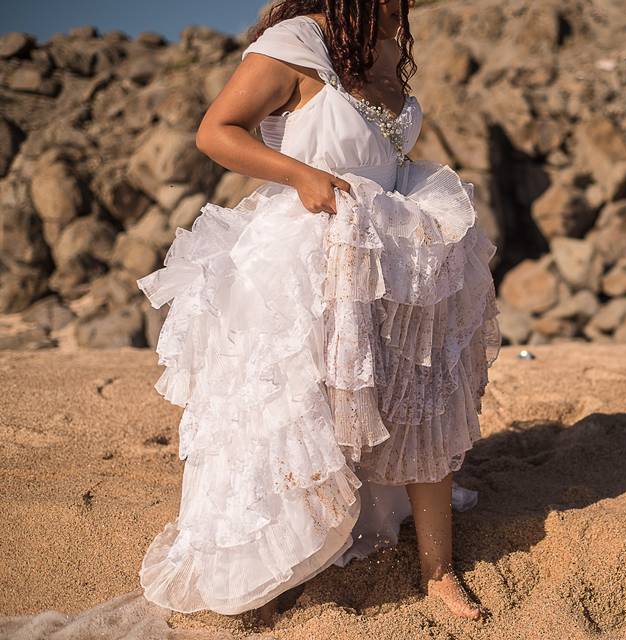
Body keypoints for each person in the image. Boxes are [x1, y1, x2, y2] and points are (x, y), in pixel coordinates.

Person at [136, 0, 500, 623]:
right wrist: (301, 174)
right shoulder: (300, 39)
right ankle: (282, 563)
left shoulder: (385, 39)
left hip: (389, 244)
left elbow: (377, 154)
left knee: (420, 393)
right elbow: (217, 130)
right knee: (306, 408)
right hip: (308, 251)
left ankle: (438, 574)